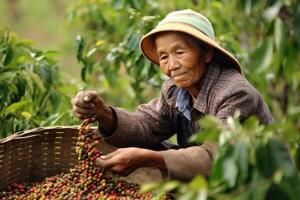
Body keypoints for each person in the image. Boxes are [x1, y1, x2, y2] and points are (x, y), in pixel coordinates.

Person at [71, 9, 273, 182]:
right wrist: (104, 114)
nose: (172, 65)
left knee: (156, 154)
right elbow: (147, 125)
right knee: (153, 147)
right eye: (164, 57)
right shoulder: (175, 90)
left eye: (180, 52)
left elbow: (217, 157)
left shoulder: (234, 93)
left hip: (254, 187)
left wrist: (147, 158)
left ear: (207, 54)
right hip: (207, 185)